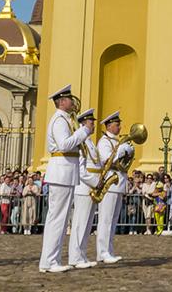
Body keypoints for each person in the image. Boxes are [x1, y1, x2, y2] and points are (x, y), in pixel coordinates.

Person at [39, 84, 92, 274]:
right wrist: (84, 131)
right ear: (62, 102)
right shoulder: (60, 120)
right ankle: (50, 260)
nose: (72, 101)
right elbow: (64, 144)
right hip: (61, 171)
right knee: (57, 219)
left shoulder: (65, 119)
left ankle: (51, 259)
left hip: (66, 171)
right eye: (69, 98)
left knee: (60, 220)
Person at [92, 110, 135, 264]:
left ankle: (108, 250)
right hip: (110, 182)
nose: (120, 127)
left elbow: (123, 163)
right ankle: (102, 252)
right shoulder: (104, 142)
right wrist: (121, 152)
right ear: (109, 126)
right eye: (117, 125)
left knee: (113, 219)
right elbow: (106, 160)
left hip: (119, 182)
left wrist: (128, 153)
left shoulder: (117, 142)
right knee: (106, 218)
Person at [68, 107, 103, 268]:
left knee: (87, 223)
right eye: (91, 122)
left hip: (91, 187)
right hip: (84, 187)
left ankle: (81, 255)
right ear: (83, 123)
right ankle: (75, 257)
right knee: (80, 223)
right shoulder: (81, 141)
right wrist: (95, 182)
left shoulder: (89, 142)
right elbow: (81, 169)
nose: (93, 125)